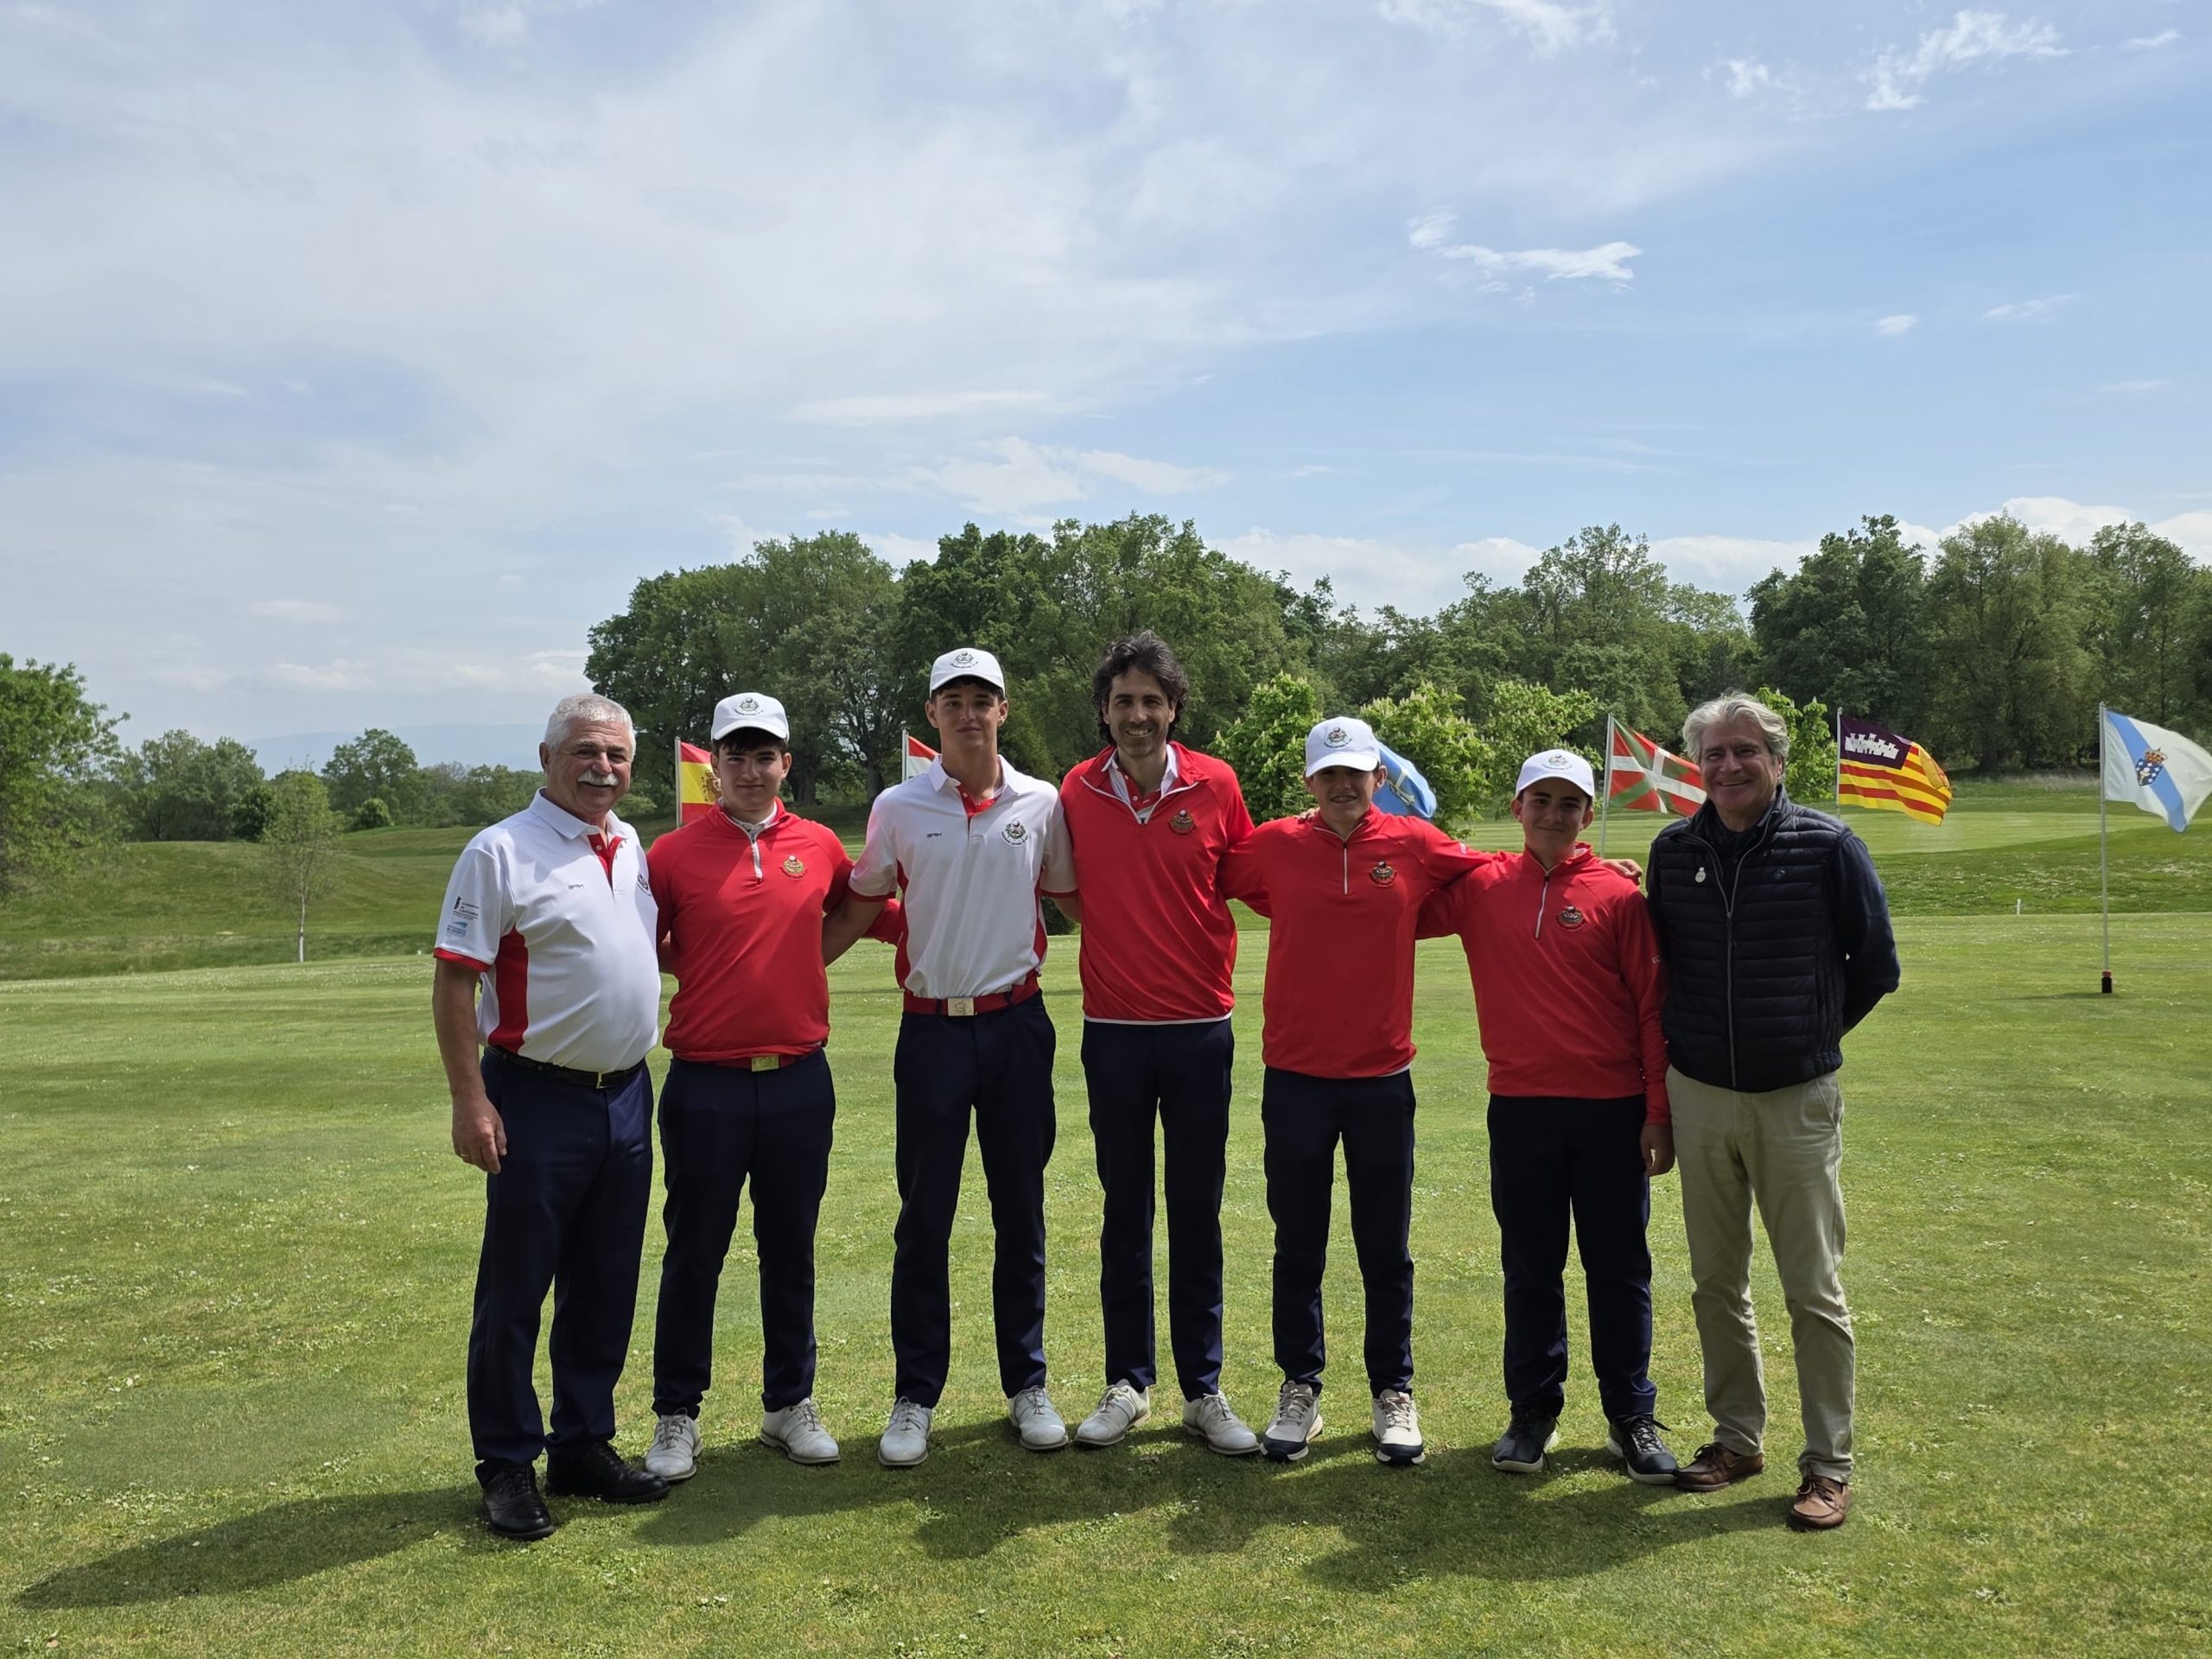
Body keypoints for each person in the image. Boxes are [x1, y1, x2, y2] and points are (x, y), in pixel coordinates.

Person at [1647, 692, 1899, 1531]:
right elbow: (1663, 966)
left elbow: (1876, 965)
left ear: (1776, 761)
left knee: (1811, 1289)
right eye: (1714, 754)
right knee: (1715, 1284)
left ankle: (1828, 1465)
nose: (1729, 766)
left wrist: (1806, 1035)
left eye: (1744, 751)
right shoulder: (1672, 851)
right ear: (1698, 766)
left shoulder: (1828, 845)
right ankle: (1736, 1440)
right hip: (1700, 1096)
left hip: (1795, 1100)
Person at [822, 647, 1079, 1467]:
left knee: (1020, 1211)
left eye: (982, 699)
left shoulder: (1041, 802)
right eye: (953, 700)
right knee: (924, 1217)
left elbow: (1074, 897)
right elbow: (861, 903)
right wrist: (786, 970)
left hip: (1017, 1025)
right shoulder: (898, 805)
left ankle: (1027, 1383)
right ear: (932, 713)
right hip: (931, 1031)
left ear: (1004, 709)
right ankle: (915, 1395)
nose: (969, 713)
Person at [639, 692, 900, 1482]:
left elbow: (875, 911)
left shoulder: (817, 845)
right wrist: (710, 966)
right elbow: (638, 944)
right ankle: (676, 1414)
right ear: (713, 767)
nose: (749, 770)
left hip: (797, 1080)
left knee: (791, 1249)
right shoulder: (671, 855)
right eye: (735, 756)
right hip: (705, 1083)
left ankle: (790, 1403)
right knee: (695, 1252)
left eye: (764, 756)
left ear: (786, 763)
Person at [1219, 716, 1493, 1466]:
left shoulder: (1413, 843)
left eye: (1356, 773)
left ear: (1379, 777)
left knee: (1385, 1247)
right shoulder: (1274, 844)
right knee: (1297, 1244)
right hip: (1296, 1079)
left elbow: (1498, 874)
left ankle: (1392, 1390)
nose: (1343, 785)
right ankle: (1300, 1386)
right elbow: (1209, 878)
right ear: (1310, 781)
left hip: (1381, 1080)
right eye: (1329, 774)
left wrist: (1599, 872)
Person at [432, 692, 669, 1540]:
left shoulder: (629, 845)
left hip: (626, 1095)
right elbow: (455, 980)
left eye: (617, 755)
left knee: (604, 1283)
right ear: (547, 758)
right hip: (535, 1097)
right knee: (517, 1288)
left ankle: (582, 1445)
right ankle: (505, 1463)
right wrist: (470, 1099)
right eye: (585, 752)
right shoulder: (500, 851)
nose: (602, 768)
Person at [1417, 749, 1680, 1484]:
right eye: (1541, 800)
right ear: (1517, 807)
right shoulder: (1482, 886)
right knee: (1531, 1268)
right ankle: (1532, 1411)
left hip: (1611, 1112)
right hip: (1521, 1109)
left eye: (1569, 803)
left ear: (1588, 815)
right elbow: (1396, 901)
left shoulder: (1620, 896)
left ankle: (1630, 1414)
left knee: (1618, 1268)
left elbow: (1652, 1010)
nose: (1554, 815)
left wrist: (1658, 1113)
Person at [1058, 632, 1262, 1456]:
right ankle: (1128, 1382)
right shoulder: (1076, 789)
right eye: (1123, 701)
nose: (1137, 715)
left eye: (1151, 700)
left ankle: (1203, 1389)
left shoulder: (1217, 783)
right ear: (1104, 712)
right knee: (1125, 1212)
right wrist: (1119, 932)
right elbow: (1068, 891)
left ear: (1174, 708)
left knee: (1197, 1212)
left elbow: (1249, 875)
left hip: (1199, 1031)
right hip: (1113, 1033)